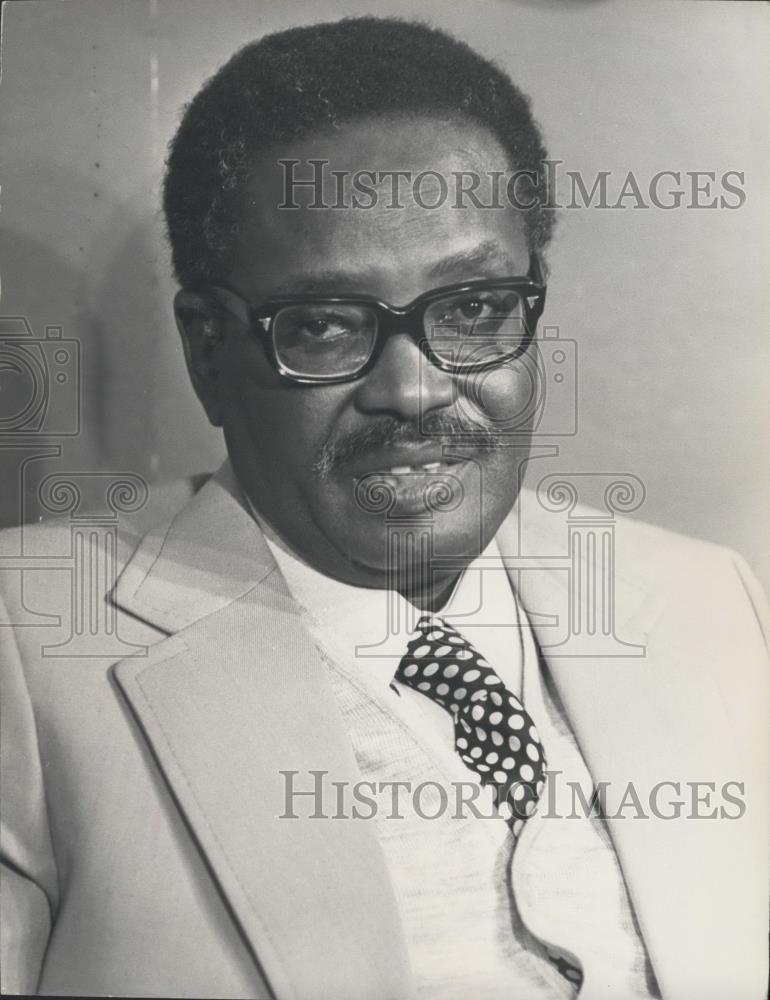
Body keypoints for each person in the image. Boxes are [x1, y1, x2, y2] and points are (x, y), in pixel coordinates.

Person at [1, 16, 768, 1000]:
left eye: (473, 308)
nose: (412, 390)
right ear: (208, 352)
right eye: (324, 325)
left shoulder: (711, 602)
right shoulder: (28, 644)